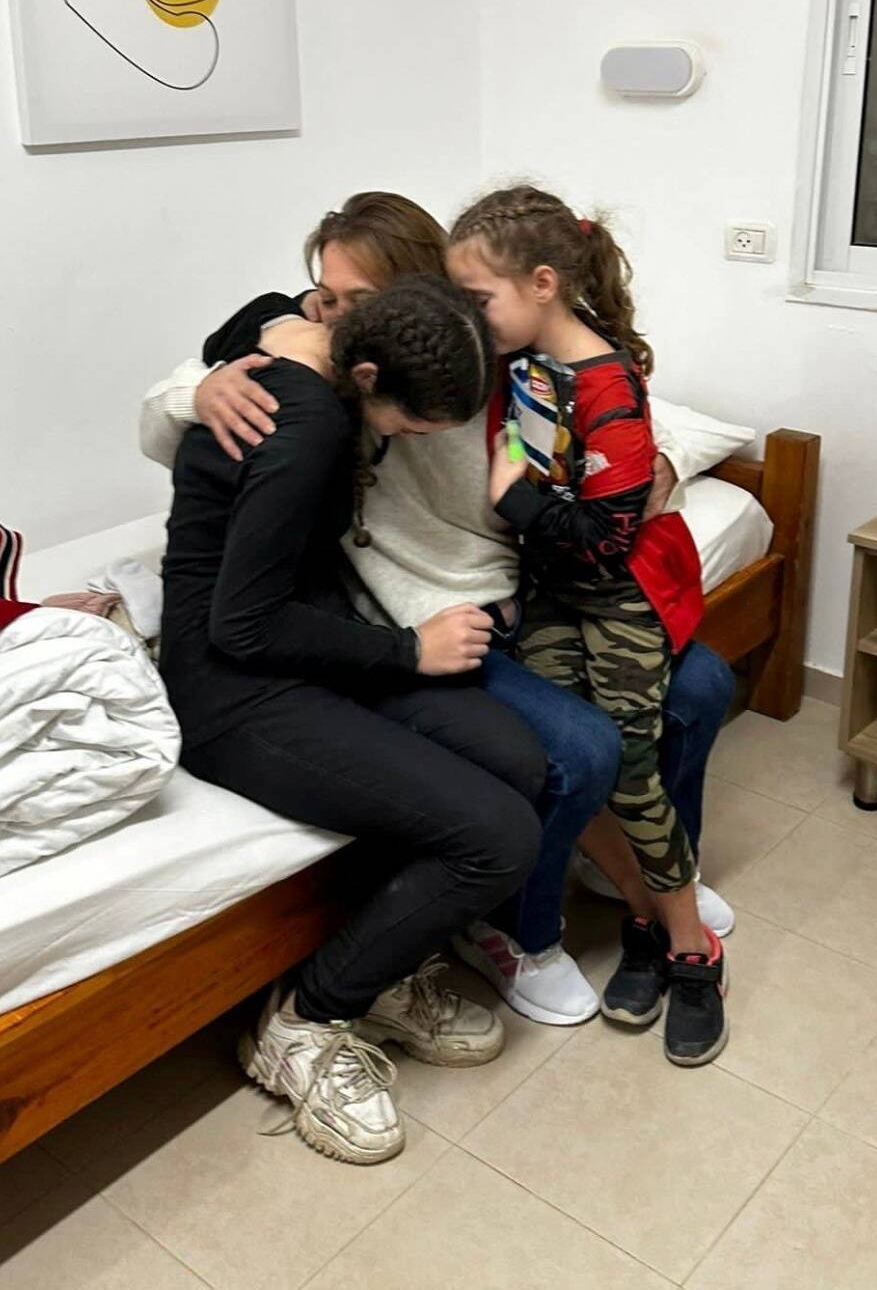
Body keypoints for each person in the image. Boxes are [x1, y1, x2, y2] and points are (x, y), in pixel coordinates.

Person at [141, 191, 735, 1030]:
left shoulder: (496, 361)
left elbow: (629, 412)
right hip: (418, 617)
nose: (334, 316)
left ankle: (648, 870)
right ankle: (524, 931)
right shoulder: (342, 381)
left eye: (356, 300)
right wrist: (201, 388)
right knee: (579, 747)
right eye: (328, 298)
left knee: (702, 686)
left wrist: (661, 464)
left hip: (528, 591)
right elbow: (203, 391)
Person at [160, 275, 547, 1164]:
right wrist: (409, 651)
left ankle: (384, 971)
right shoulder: (311, 429)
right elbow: (240, 626)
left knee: (516, 758)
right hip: (231, 690)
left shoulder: (315, 359)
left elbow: (253, 315)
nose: (405, 440)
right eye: (408, 425)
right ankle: (303, 1023)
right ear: (367, 374)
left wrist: (249, 344)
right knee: (499, 838)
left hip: (308, 650)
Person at [448, 184, 727, 1068]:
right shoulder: (524, 364)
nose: (471, 317)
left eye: (479, 299)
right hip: (549, 595)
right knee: (583, 762)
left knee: (632, 765)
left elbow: (607, 540)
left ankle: (691, 944)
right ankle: (644, 916)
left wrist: (514, 498)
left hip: (614, 596)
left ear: (542, 284)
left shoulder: (609, 385)